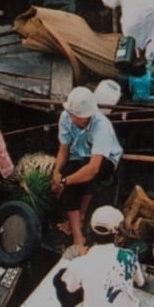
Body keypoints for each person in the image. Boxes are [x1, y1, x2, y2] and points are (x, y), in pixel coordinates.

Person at [53, 205, 146, 307]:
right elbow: (141, 283)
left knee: (60, 279)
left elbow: (69, 287)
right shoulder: (129, 255)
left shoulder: (80, 263)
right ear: (117, 233)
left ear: (91, 231)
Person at [51, 86, 124, 250]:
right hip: (78, 155)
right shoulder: (65, 117)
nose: (74, 118)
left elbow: (93, 168)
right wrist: (57, 171)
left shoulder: (101, 126)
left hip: (105, 160)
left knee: (77, 181)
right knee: (71, 174)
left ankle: (78, 237)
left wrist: (64, 181)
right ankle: (79, 220)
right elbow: (64, 149)